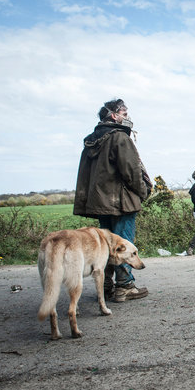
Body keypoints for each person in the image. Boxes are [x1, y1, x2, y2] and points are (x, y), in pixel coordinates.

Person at [74, 99, 152, 302]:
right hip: (121, 201)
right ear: (114, 116)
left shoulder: (92, 140)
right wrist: (142, 192)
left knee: (107, 246)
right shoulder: (119, 137)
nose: (128, 118)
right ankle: (124, 287)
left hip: (101, 203)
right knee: (124, 243)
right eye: (125, 114)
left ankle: (106, 286)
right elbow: (131, 171)